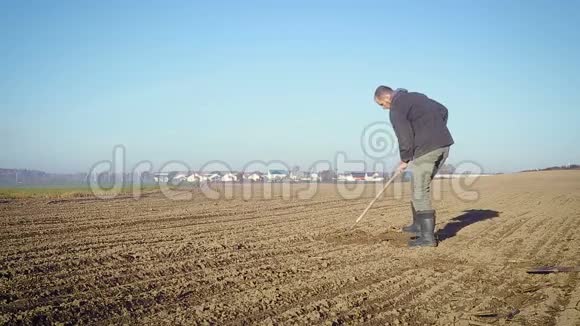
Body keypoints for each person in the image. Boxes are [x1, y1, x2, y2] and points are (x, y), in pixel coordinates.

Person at [374, 85, 454, 247]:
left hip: (427, 150)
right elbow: (443, 110)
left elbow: (404, 136)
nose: (383, 108)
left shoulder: (396, 109)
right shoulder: (417, 96)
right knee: (418, 185)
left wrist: (404, 159)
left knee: (419, 189)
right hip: (444, 145)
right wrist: (435, 130)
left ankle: (427, 238)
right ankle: (418, 225)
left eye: (381, 105)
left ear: (386, 98)